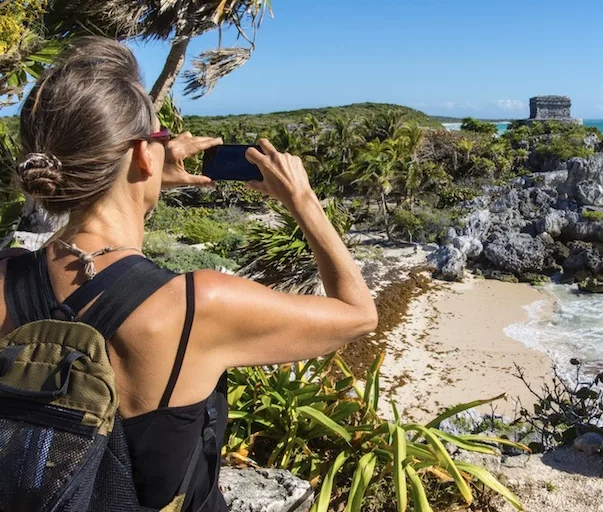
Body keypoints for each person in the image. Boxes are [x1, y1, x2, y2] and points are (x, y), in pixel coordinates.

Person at [0, 38, 377, 511]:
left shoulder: (6, 275)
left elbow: (100, 260)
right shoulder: (197, 305)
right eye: (160, 140)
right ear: (142, 154)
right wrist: (302, 201)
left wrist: (142, 179)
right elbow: (358, 314)